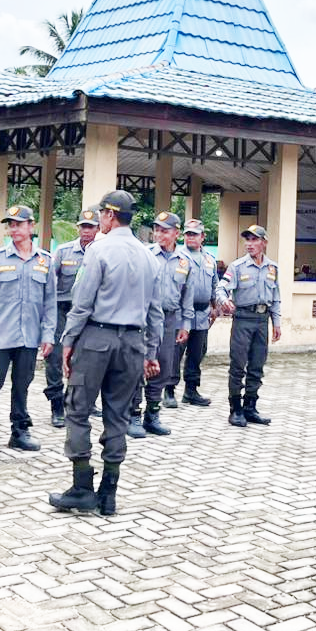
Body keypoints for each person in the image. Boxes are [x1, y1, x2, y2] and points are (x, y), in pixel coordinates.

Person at [48, 190, 162, 517]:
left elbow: (81, 303)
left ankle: (82, 487)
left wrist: (68, 342)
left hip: (97, 339)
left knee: (78, 407)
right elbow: (156, 312)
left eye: (101, 214)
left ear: (110, 215)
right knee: (118, 415)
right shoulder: (148, 257)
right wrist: (151, 352)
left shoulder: (98, 250)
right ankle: (109, 493)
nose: (99, 219)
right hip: (133, 344)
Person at [0, 205, 55, 454]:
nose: (14, 229)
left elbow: (49, 303)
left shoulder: (45, 261)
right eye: (10, 224)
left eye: (19, 224)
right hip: (0, 336)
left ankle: (19, 431)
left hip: (29, 337)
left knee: (22, 386)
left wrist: (48, 335)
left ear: (31, 226)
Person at [129, 211, 192, 437]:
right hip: (144, 318)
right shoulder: (145, 255)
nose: (158, 234)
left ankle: (152, 414)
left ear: (177, 233)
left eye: (164, 231)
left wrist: (186, 324)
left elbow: (187, 295)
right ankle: (133, 414)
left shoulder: (185, 261)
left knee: (163, 366)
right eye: (156, 230)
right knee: (139, 363)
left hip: (170, 319)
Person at [216, 225, 282, 428]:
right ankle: (235, 410)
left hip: (262, 321)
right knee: (238, 366)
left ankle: (250, 408)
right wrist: (224, 300)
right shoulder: (237, 267)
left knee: (257, 366)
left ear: (264, 243)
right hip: (243, 319)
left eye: (254, 240)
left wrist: (276, 323)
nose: (250, 244)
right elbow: (221, 287)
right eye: (247, 240)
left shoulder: (273, 268)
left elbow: (276, 298)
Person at [46, 208, 100, 428]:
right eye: (83, 227)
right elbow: (51, 283)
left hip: (89, 313)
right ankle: (56, 405)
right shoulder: (63, 251)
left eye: (91, 227)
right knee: (56, 359)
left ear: (98, 229)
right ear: (78, 228)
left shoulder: (101, 252)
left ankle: (81, 402)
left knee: (86, 360)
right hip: (62, 310)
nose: (86, 231)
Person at [172, 218, 217, 407]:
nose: (191, 237)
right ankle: (168, 390)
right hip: (181, 314)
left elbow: (214, 284)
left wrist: (215, 306)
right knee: (175, 353)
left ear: (202, 237)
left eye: (195, 234)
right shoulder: (176, 256)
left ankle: (191, 391)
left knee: (197, 353)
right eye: (188, 234)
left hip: (202, 313)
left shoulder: (209, 259)